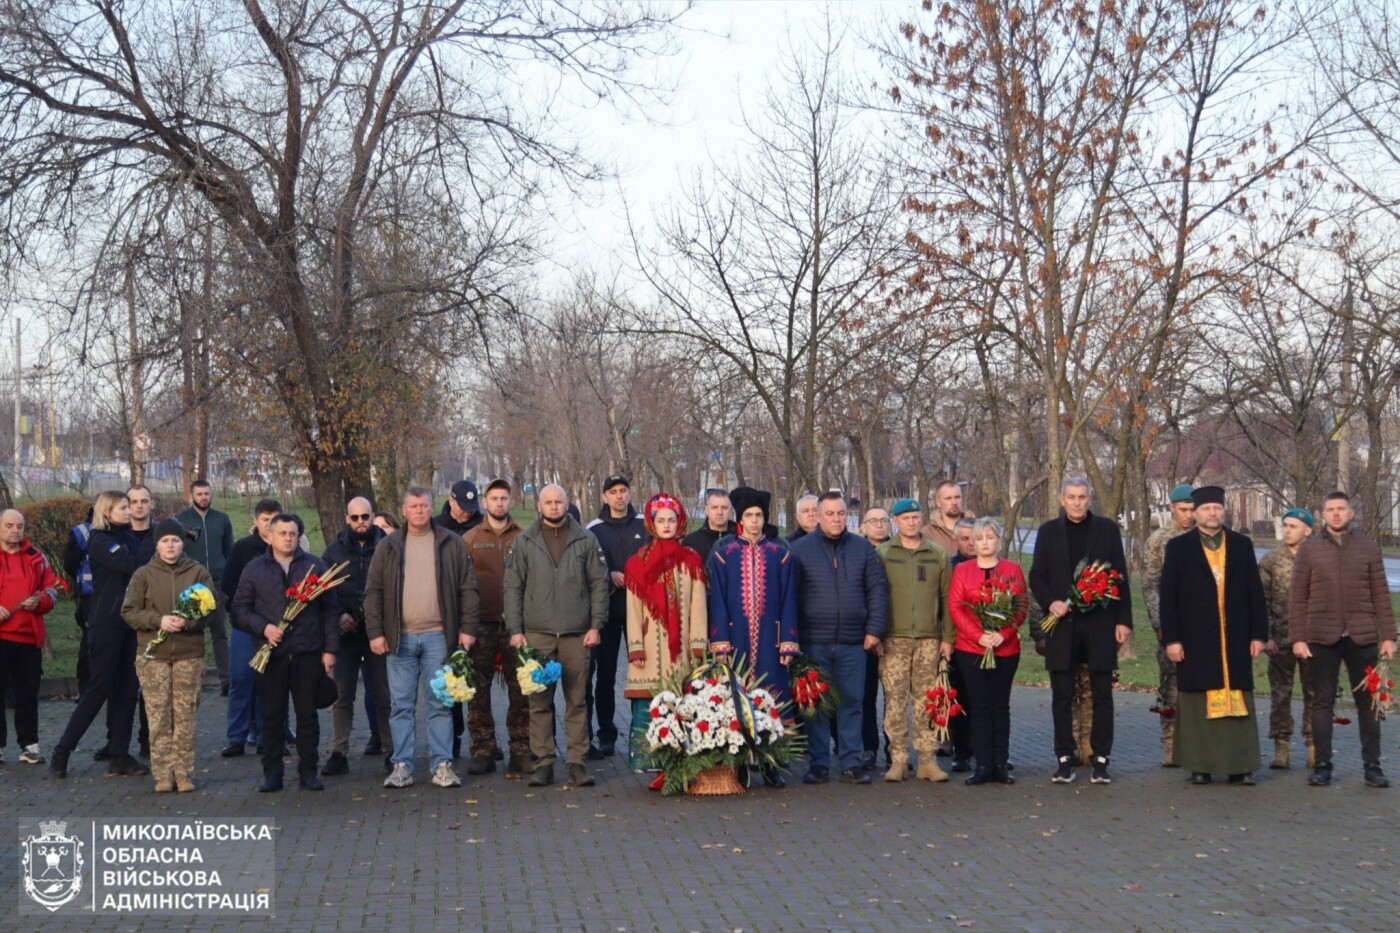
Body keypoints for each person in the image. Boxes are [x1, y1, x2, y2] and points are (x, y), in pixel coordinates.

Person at [366, 486, 480, 790]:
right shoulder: (388, 546)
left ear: (433, 508)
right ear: (404, 510)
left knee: (439, 704)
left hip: (438, 637)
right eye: (413, 506)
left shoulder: (451, 544)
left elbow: (468, 589)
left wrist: (467, 628)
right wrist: (376, 632)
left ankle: (442, 765)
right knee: (401, 704)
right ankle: (401, 765)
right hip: (398, 639)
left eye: (424, 505)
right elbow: (373, 593)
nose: (419, 511)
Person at [1159, 486, 1268, 785]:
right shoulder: (1179, 548)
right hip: (1194, 639)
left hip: (1234, 636)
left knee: (1238, 700)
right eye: (1206, 509)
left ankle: (1240, 766)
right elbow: (1168, 597)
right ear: (1195, 513)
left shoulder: (1241, 545)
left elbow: (1255, 594)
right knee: (1198, 701)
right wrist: (1172, 639)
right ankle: (1200, 765)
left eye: (1217, 509)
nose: (1212, 513)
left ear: (1224, 511)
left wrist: (1259, 634)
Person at [1290, 491, 1397, 788]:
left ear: (1351, 513)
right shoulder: (1309, 550)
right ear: (1323, 514)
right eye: (1330, 509)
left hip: (1361, 636)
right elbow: (1297, 597)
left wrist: (1389, 636)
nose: (1336, 514)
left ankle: (1372, 766)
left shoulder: (1368, 548)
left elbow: (1381, 596)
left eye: (1341, 509)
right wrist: (1298, 638)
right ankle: (1323, 764)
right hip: (1321, 637)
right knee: (1322, 702)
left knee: (1368, 703)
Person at [1029, 476, 1132, 785]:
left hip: (1100, 623)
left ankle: (1100, 759)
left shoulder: (1107, 530)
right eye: (1071, 497)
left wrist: (1123, 621)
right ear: (1062, 500)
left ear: (1090, 500)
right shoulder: (1048, 532)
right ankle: (1064, 758)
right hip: (1062, 625)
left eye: (1082, 497)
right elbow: (1037, 576)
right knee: (1062, 694)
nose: (1077, 502)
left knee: (1102, 694)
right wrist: (1051, 603)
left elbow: (1120, 577)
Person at [505, 484, 609, 788]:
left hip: (577, 636)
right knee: (539, 702)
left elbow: (599, 585)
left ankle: (577, 763)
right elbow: (512, 587)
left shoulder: (586, 539)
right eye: (548, 502)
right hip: (537, 635)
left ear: (567, 503)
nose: (553, 507)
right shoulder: (524, 541)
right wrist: (515, 630)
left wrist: (595, 626)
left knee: (577, 701)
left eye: (558, 501)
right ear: (539, 505)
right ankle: (544, 762)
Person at [233, 512, 340, 792]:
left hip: (307, 653)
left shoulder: (315, 567)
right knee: (272, 716)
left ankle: (308, 772)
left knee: (307, 715)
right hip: (272, 655)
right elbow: (239, 611)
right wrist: (265, 628)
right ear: (269, 535)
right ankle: (272, 774)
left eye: (293, 533)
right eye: (282, 533)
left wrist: (330, 649)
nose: (288, 538)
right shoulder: (254, 570)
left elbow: (330, 611)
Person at [789, 492, 889, 785]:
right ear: (817, 516)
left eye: (841, 514)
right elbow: (790, 597)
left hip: (853, 642)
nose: (836, 519)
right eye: (830, 514)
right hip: (812, 641)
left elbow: (878, 592)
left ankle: (851, 762)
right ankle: (818, 762)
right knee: (816, 703)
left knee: (852, 702)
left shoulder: (863, 550)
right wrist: (792, 638)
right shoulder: (799, 550)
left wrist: (874, 630)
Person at [51, 491, 147, 779]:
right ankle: (62, 751)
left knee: (128, 691)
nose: (129, 511)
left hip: (131, 624)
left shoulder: (128, 538)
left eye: (130, 507)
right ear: (107, 512)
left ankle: (119, 754)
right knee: (98, 690)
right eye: (123, 507)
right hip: (106, 624)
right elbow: (133, 565)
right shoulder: (100, 541)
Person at [706, 486, 799, 786]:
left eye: (760, 515)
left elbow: (788, 600)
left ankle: (773, 762)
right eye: (749, 515)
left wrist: (788, 641)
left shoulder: (780, 555)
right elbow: (716, 600)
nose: (755, 521)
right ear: (740, 519)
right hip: (737, 640)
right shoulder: (724, 556)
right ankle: (739, 764)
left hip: (771, 640)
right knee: (737, 697)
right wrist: (720, 643)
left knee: (773, 697)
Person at [121, 518, 215, 792]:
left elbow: (212, 609)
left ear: (182, 543)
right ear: (157, 544)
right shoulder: (143, 575)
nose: (170, 545)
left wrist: (190, 622)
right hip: (154, 656)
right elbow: (129, 612)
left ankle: (184, 773)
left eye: (175, 540)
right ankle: (163, 773)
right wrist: (158, 620)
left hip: (189, 654)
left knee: (185, 715)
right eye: (165, 541)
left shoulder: (197, 572)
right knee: (159, 715)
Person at [624, 493, 707, 787]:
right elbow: (632, 610)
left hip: (682, 650)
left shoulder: (692, 560)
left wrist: (698, 645)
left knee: (681, 705)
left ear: (680, 522)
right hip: (648, 648)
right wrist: (636, 648)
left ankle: (681, 765)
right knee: (649, 706)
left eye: (672, 520)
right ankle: (652, 764)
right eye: (661, 520)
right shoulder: (637, 562)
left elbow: (698, 606)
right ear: (652, 524)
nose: (667, 525)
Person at [875, 499, 951, 783]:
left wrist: (948, 638)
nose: (911, 522)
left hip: (930, 639)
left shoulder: (937, 554)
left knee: (927, 701)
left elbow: (946, 597)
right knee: (895, 700)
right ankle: (898, 760)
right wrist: (877, 634)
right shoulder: (883, 553)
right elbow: (876, 596)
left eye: (915, 517)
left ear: (922, 519)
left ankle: (927, 760)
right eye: (905, 518)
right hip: (894, 638)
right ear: (895, 521)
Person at [949, 518, 1028, 785]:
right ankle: (982, 764)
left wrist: (1001, 634)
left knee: (1000, 707)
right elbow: (957, 607)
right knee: (980, 707)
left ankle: (1000, 764)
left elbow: (1020, 607)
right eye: (979, 538)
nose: (984, 543)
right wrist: (979, 636)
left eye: (989, 537)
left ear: (998, 540)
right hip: (971, 649)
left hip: (1005, 650)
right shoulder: (962, 570)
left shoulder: (1012, 569)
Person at [461, 479, 529, 778]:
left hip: (515, 624)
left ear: (509, 502)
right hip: (481, 624)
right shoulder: (470, 539)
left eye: (504, 498)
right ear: (484, 502)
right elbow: (462, 584)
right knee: (478, 690)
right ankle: (482, 749)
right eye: (494, 498)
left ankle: (521, 749)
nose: (499, 503)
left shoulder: (525, 537)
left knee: (520, 688)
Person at [320, 496, 392, 778]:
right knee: (342, 695)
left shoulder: (387, 546)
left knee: (385, 695)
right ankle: (339, 752)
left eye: (365, 517)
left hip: (379, 633)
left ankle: (391, 750)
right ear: (347, 519)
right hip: (346, 634)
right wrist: (339, 615)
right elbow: (324, 591)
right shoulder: (333, 552)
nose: (361, 522)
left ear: (372, 516)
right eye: (355, 518)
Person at [585, 472, 649, 759]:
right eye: (613, 491)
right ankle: (607, 733)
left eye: (624, 490)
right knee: (606, 675)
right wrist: (609, 574)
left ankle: (646, 731)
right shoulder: (594, 529)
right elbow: (587, 568)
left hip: (641, 612)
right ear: (604, 497)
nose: (619, 496)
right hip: (607, 612)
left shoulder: (645, 525)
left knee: (644, 671)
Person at [219, 498, 283, 757]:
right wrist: (248, 608)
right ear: (256, 522)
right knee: (241, 680)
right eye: (265, 520)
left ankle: (266, 735)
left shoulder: (287, 548)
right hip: (247, 626)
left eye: (274, 520)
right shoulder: (243, 549)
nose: (269, 525)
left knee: (269, 683)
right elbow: (228, 584)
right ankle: (237, 736)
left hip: (275, 628)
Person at [0, 509, 62, 766]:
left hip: (28, 637)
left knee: (27, 693)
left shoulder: (37, 557)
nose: (15, 530)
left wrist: (41, 601)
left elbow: (52, 589)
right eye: (9, 525)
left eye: (20, 526)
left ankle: (29, 745)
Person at [1140, 483, 1195, 766]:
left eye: (1192, 509)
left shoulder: (1205, 537)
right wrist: (1160, 624)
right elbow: (1150, 585)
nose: (1189, 515)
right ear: (1172, 508)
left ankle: (1197, 744)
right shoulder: (1160, 541)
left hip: (1201, 627)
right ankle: (1170, 746)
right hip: (1171, 625)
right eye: (1183, 509)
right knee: (1170, 687)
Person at [1258, 507, 1316, 770]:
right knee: (1280, 694)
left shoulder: (1318, 559)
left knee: (1315, 693)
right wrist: (1266, 636)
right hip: (1280, 639)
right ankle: (1281, 745)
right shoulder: (1271, 561)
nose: (1288, 530)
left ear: (1308, 530)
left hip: (1313, 640)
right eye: (1286, 525)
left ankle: (1314, 744)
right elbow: (1262, 603)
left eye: (1294, 526)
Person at [175, 478, 234, 692]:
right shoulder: (181, 520)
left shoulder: (222, 519)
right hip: (192, 584)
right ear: (192, 496)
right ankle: (189, 680)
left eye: (206, 494)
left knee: (219, 633)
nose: (203, 497)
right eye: (199, 494)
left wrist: (228, 577)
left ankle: (226, 680)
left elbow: (230, 550)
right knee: (190, 633)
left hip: (218, 582)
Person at [858, 506, 892, 771]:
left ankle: (896, 748)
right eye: (873, 521)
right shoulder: (858, 552)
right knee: (866, 696)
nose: (879, 525)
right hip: (867, 637)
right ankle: (869, 748)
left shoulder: (899, 551)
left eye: (884, 520)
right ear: (862, 526)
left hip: (896, 635)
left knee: (895, 698)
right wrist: (873, 631)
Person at [61, 507, 95, 699]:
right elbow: (69, 564)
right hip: (90, 596)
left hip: (111, 594)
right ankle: (86, 687)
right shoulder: (82, 532)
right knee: (89, 641)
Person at [681, 489, 735, 564]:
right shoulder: (691, 542)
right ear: (706, 510)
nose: (720, 512)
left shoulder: (739, 539)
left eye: (724, 508)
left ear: (731, 511)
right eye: (714, 507)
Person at [922, 480, 973, 555]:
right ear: (938, 502)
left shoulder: (978, 528)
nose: (954, 502)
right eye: (948, 498)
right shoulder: (927, 534)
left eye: (957, 497)